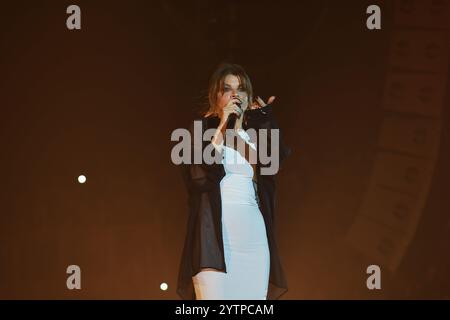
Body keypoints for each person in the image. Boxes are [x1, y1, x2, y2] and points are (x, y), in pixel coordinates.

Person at [176, 62, 291, 300]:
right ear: (215, 95)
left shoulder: (254, 137)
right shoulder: (202, 130)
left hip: (253, 238)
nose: (234, 95)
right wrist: (222, 125)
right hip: (215, 240)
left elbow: (275, 162)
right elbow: (198, 177)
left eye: (241, 89)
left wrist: (266, 120)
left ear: (248, 97)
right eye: (227, 89)